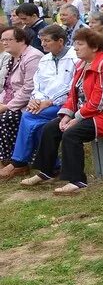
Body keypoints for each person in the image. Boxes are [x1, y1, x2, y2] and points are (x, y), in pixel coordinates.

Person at [22, 27, 103, 194]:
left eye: (80, 44)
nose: (75, 48)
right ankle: (46, 171)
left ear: (94, 47)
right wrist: (66, 115)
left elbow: (100, 101)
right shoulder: (81, 64)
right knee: (51, 128)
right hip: (87, 114)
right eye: (74, 44)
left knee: (71, 134)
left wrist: (76, 119)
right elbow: (73, 95)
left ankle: (77, 180)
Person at [0, 26, 76, 180]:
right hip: (43, 103)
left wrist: (50, 101)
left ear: (60, 41)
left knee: (28, 117)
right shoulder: (45, 59)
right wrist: (36, 99)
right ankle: (53, 167)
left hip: (67, 104)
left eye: (47, 41)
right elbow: (37, 84)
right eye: (41, 41)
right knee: (41, 126)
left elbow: (72, 87)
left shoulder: (74, 58)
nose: (43, 44)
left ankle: (18, 161)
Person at [0, 27, 44, 163]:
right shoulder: (13, 58)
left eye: (8, 39)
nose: (4, 43)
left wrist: (7, 106)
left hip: (29, 103)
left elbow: (29, 89)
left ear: (21, 41)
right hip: (11, 100)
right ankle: (5, 157)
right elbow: (7, 87)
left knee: (6, 118)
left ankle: (16, 161)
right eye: (3, 40)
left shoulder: (32, 57)